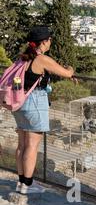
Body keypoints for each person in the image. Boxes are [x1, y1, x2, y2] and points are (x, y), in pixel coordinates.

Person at [13, 26, 75, 194]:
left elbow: (18, 81)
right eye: (49, 39)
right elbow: (66, 73)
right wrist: (70, 70)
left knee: (22, 144)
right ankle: (28, 185)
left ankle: (21, 182)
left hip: (20, 102)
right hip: (35, 102)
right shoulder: (41, 59)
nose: (51, 42)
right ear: (44, 42)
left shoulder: (21, 58)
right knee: (32, 145)